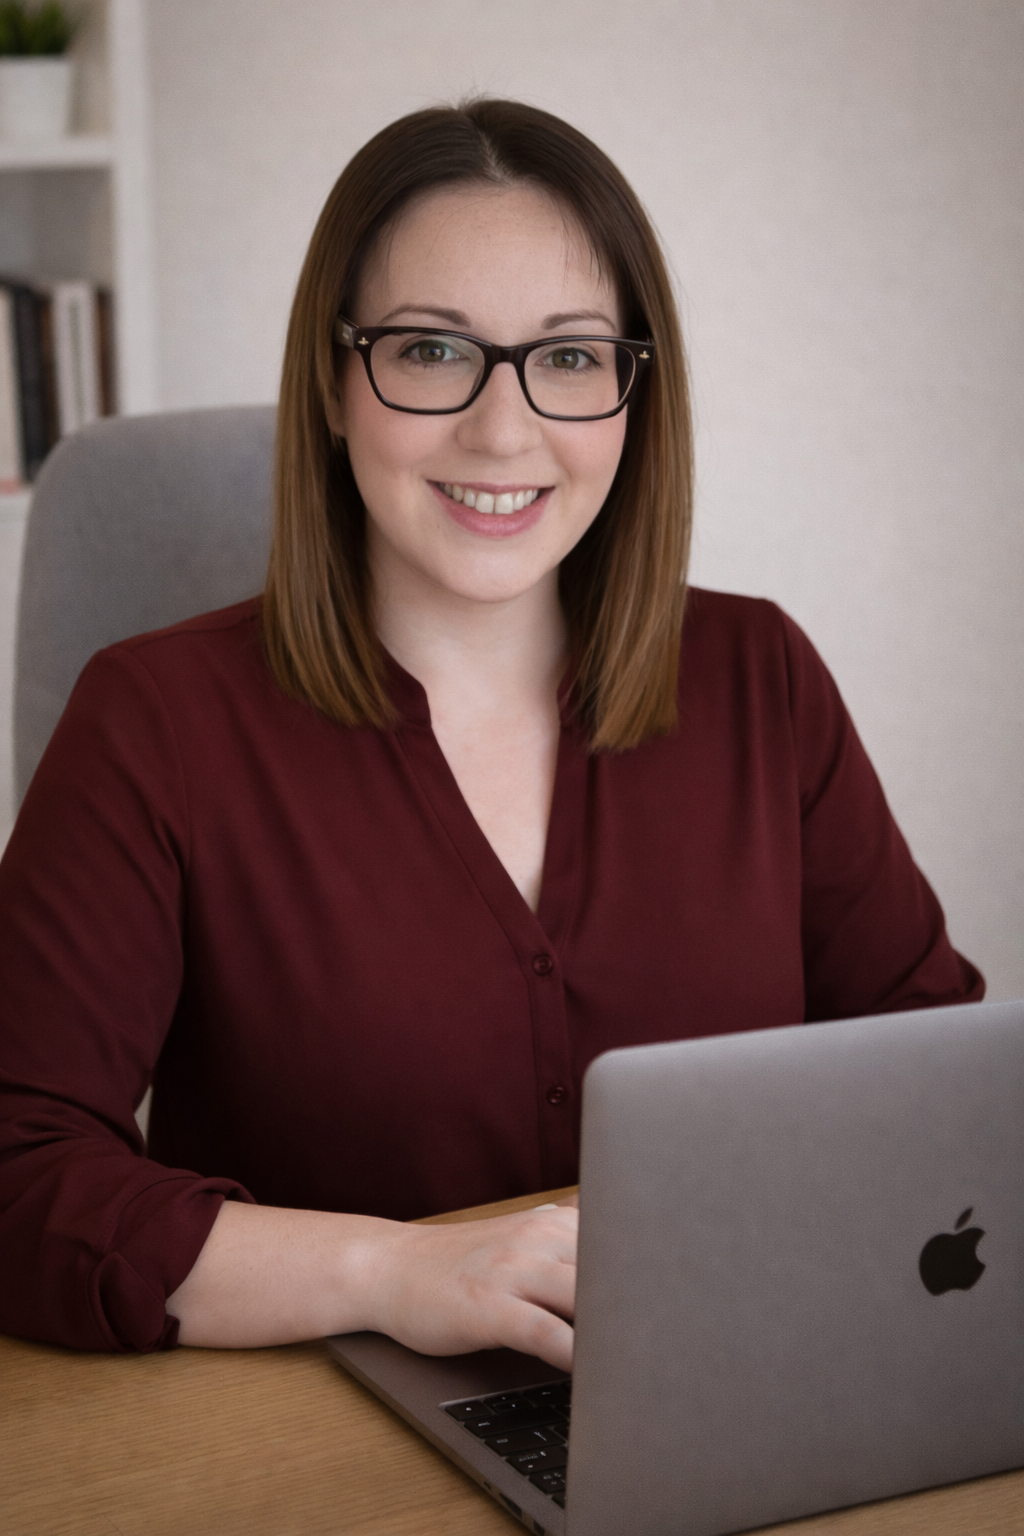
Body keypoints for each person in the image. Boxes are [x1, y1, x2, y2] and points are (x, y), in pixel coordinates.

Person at [0, 100, 982, 1365]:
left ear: (634, 395)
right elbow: (17, 1170)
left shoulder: (763, 679)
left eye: (568, 358)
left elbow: (937, 1090)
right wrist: (387, 1268)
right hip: (317, 1446)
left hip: (740, 1398)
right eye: (429, 350)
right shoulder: (155, 721)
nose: (503, 430)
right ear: (334, 378)